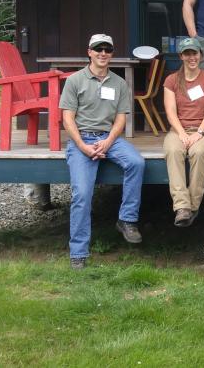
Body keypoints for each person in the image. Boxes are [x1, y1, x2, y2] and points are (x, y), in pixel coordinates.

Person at [60, 34, 146, 270]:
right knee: (82, 194)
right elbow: (67, 118)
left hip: (109, 138)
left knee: (137, 163)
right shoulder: (75, 80)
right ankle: (78, 252)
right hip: (82, 139)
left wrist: (108, 142)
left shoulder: (119, 83)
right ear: (89, 52)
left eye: (107, 49)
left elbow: (120, 118)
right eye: (98, 49)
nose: (103, 53)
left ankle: (126, 219)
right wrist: (83, 146)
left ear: (112, 53)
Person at [162, 37, 204, 227]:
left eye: (194, 53)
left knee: (198, 151)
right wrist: (181, 133)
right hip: (178, 130)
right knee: (173, 151)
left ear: (201, 55)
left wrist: (199, 133)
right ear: (181, 56)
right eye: (187, 53)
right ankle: (182, 207)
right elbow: (170, 111)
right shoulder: (171, 80)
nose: (191, 57)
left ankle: (193, 206)